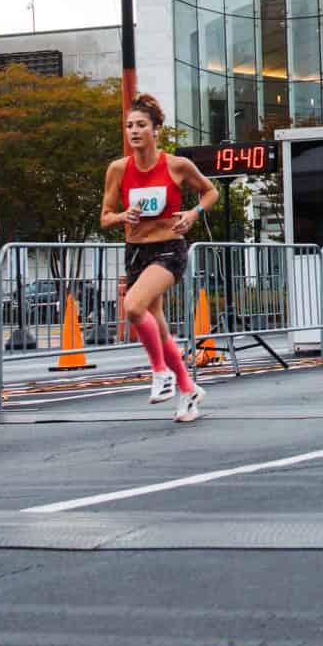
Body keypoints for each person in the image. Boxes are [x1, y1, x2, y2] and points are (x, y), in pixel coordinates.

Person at [99, 93, 217, 423]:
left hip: (169, 249)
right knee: (157, 325)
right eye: (129, 126)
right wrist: (123, 216)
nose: (134, 131)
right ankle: (188, 388)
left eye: (141, 125)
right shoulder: (118, 169)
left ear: (156, 130)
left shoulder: (176, 165)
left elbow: (210, 191)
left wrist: (193, 213)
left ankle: (160, 372)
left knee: (133, 307)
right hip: (136, 251)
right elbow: (105, 217)